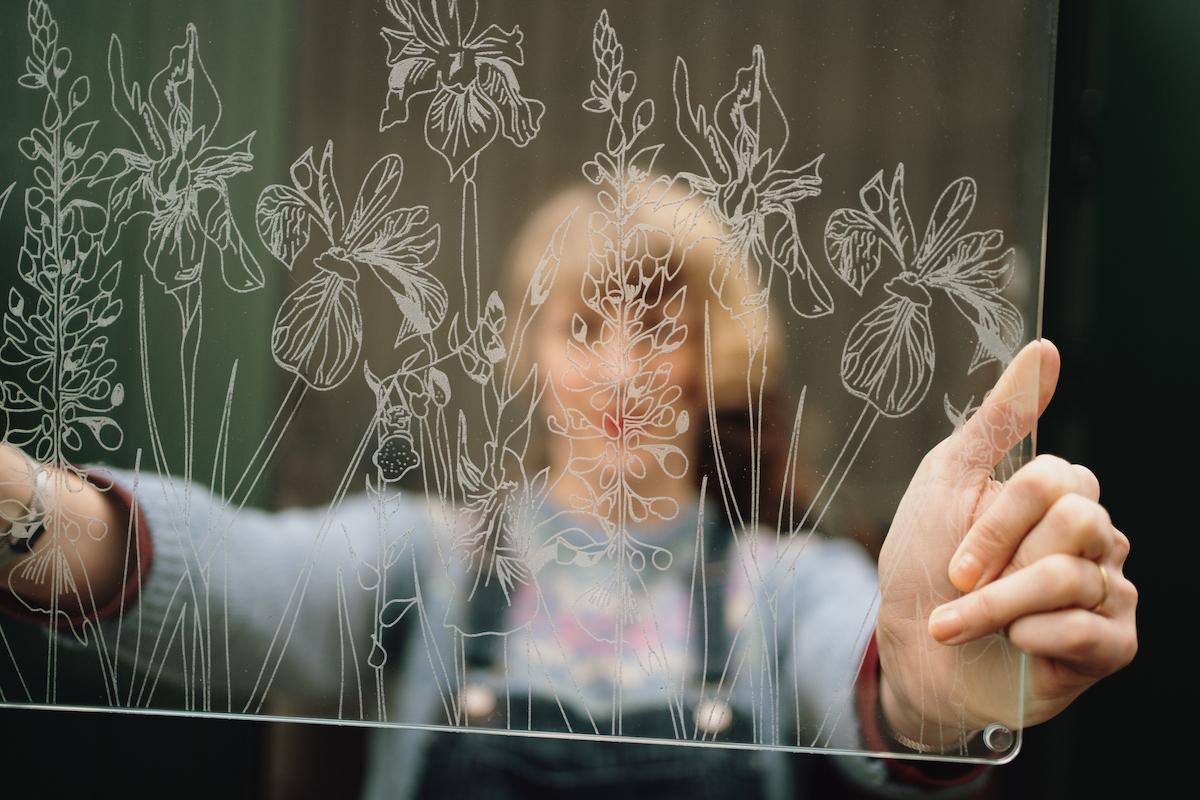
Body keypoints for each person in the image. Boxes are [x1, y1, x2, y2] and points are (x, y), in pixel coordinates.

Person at [0, 185, 1136, 799]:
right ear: (525, 351)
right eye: (580, 324)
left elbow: (883, 697)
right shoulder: (425, 557)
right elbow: (232, 577)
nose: (620, 368)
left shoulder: (790, 586)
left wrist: (941, 693)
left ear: (717, 363)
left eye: (660, 327)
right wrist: (18, 506)